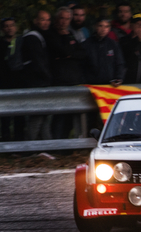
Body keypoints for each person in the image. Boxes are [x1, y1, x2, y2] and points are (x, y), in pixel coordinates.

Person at [48, 6, 87, 139]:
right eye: (62, 18)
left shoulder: (69, 34)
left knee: (70, 117)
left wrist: (69, 54)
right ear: (56, 19)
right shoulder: (51, 34)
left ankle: (66, 145)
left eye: (67, 19)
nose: (64, 22)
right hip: (59, 81)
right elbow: (65, 51)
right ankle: (57, 143)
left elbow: (82, 53)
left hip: (73, 81)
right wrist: (68, 50)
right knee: (59, 116)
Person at [83, 17, 126, 131]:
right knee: (90, 120)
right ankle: (88, 145)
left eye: (106, 27)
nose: (103, 29)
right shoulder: (87, 44)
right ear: (95, 27)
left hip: (108, 89)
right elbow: (81, 65)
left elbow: (120, 63)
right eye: (101, 26)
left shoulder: (113, 44)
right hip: (92, 89)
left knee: (108, 120)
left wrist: (119, 78)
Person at [21, 10, 52, 140]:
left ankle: (46, 146)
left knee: (43, 117)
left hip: (38, 82)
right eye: (42, 19)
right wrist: (49, 78)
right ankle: (29, 148)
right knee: (37, 117)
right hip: (37, 83)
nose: (45, 23)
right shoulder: (33, 38)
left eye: (48, 19)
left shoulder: (37, 36)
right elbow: (39, 62)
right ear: (36, 21)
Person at [0, 17, 25, 141]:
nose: (9, 28)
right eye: (6, 26)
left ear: (15, 27)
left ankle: (19, 141)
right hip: (5, 85)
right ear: (2, 29)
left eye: (11, 25)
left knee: (19, 116)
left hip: (19, 84)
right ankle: (6, 141)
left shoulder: (21, 43)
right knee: (5, 117)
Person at [120, 14, 141, 84]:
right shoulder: (124, 40)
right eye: (138, 24)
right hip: (129, 81)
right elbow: (126, 55)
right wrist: (137, 40)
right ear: (132, 25)